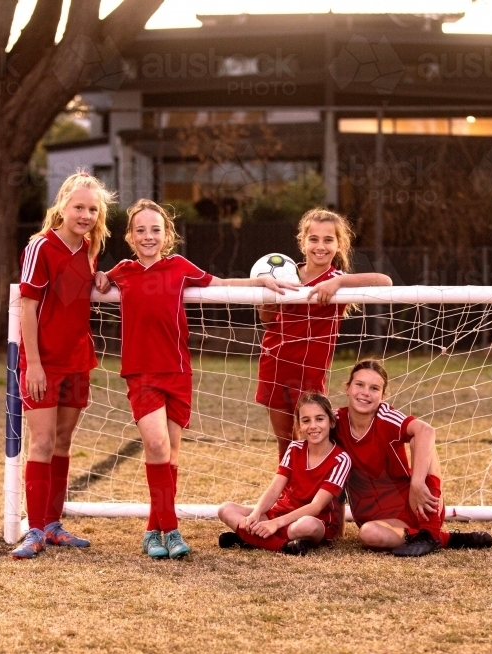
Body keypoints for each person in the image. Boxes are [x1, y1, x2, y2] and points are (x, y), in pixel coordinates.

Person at [96, 199, 297, 560]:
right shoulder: (123, 272)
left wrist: (259, 281)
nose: (148, 236)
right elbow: (99, 279)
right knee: (156, 447)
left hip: (177, 373)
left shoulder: (178, 267)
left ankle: (152, 532)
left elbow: (221, 283)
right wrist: (100, 276)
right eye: (140, 230)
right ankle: (170, 529)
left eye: (155, 229)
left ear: (167, 235)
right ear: (129, 236)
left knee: (170, 456)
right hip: (140, 375)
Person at [12, 171, 115, 560]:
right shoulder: (41, 247)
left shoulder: (91, 248)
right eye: (79, 207)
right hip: (43, 363)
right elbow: (27, 306)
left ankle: (53, 525)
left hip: (77, 360)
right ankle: (34, 529)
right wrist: (33, 364)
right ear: (63, 207)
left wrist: (102, 274)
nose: (85, 215)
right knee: (40, 441)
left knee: (63, 441)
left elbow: (83, 287)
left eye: (92, 209)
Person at [256, 209, 392, 461]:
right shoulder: (284, 274)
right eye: (314, 239)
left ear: (339, 245)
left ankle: (319, 493)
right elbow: (268, 322)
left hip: (309, 373)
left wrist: (338, 283)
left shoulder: (337, 280)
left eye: (328, 240)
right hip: (273, 366)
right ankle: (288, 493)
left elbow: (385, 281)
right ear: (303, 242)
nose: (320, 246)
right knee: (285, 441)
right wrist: (267, 305)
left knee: (310, 439)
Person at [333, 359, 492, 557]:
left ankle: (429, 530)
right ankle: (443, 539)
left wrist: (417, 483)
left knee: (421, 439)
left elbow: (426, 430)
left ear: (383, 396)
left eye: (374, 388)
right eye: (359, 384)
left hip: (416, 503)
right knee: (368, 534)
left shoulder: (385, 416)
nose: (365, 392)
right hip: (377, 519)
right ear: (347, 388)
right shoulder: (335, 422)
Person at [216, 392, 351, 556]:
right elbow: (274, 490)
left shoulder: (341, 459)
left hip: (311, 521)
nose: (313, 426)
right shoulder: (294, 449)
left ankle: (250, 538)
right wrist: (255, 514)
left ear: (331, 422)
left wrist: (275, 524)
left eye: (319, 419)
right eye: (306, 420)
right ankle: (282, 545)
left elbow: (316, 507)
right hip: (280, 514)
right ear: (299, 426)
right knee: (225, 509)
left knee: (308, 526)